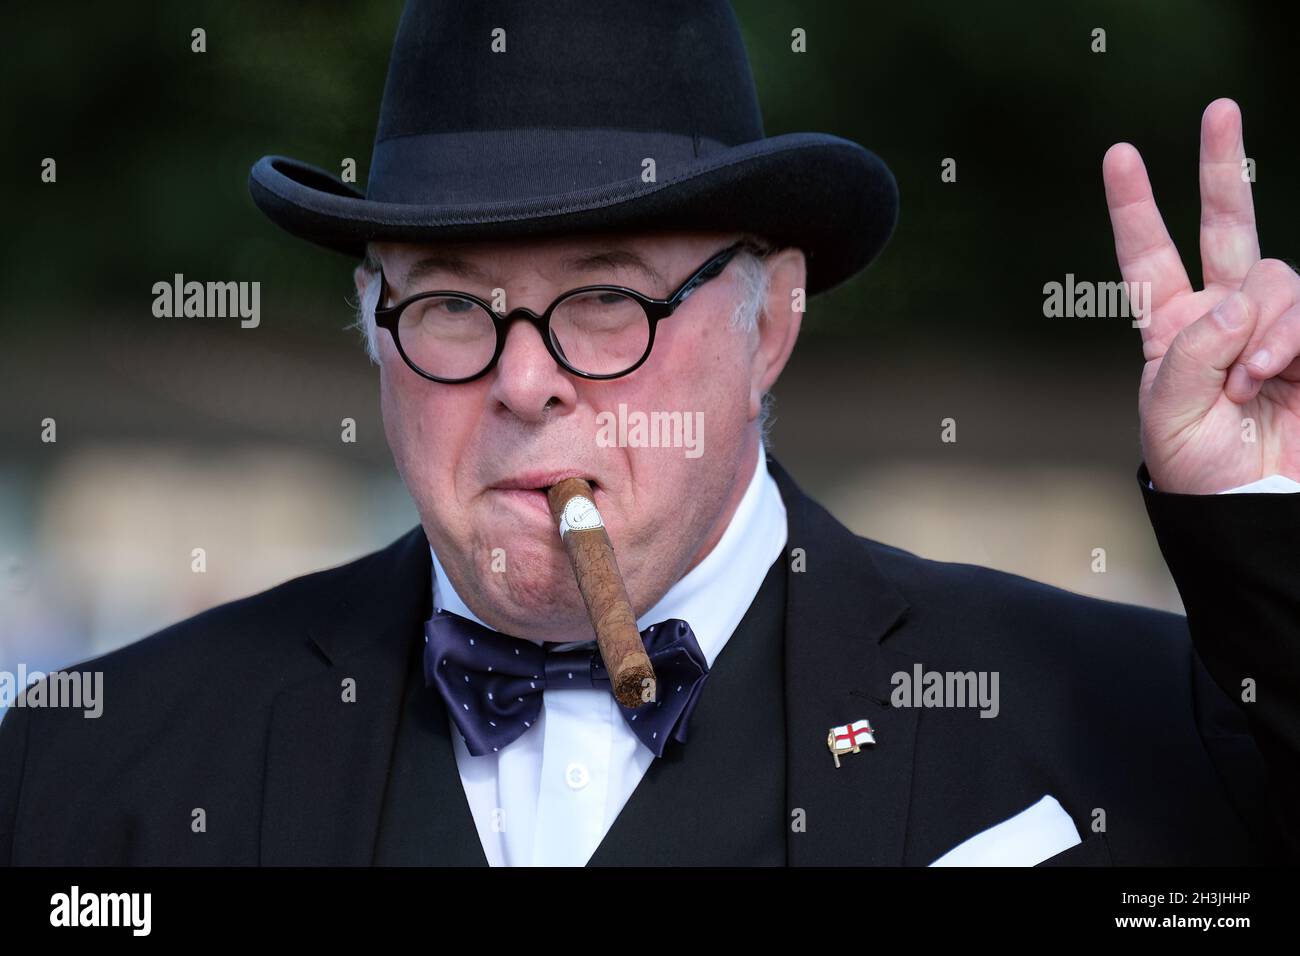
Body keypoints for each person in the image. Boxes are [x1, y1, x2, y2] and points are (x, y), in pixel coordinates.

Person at [2, 0, 1297, 867]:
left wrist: (1267, 535)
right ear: (373, 324)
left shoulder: (1144, 722)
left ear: (772, 321)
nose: (523, 383)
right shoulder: (89, 770)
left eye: (606, 300)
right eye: (454, 304)